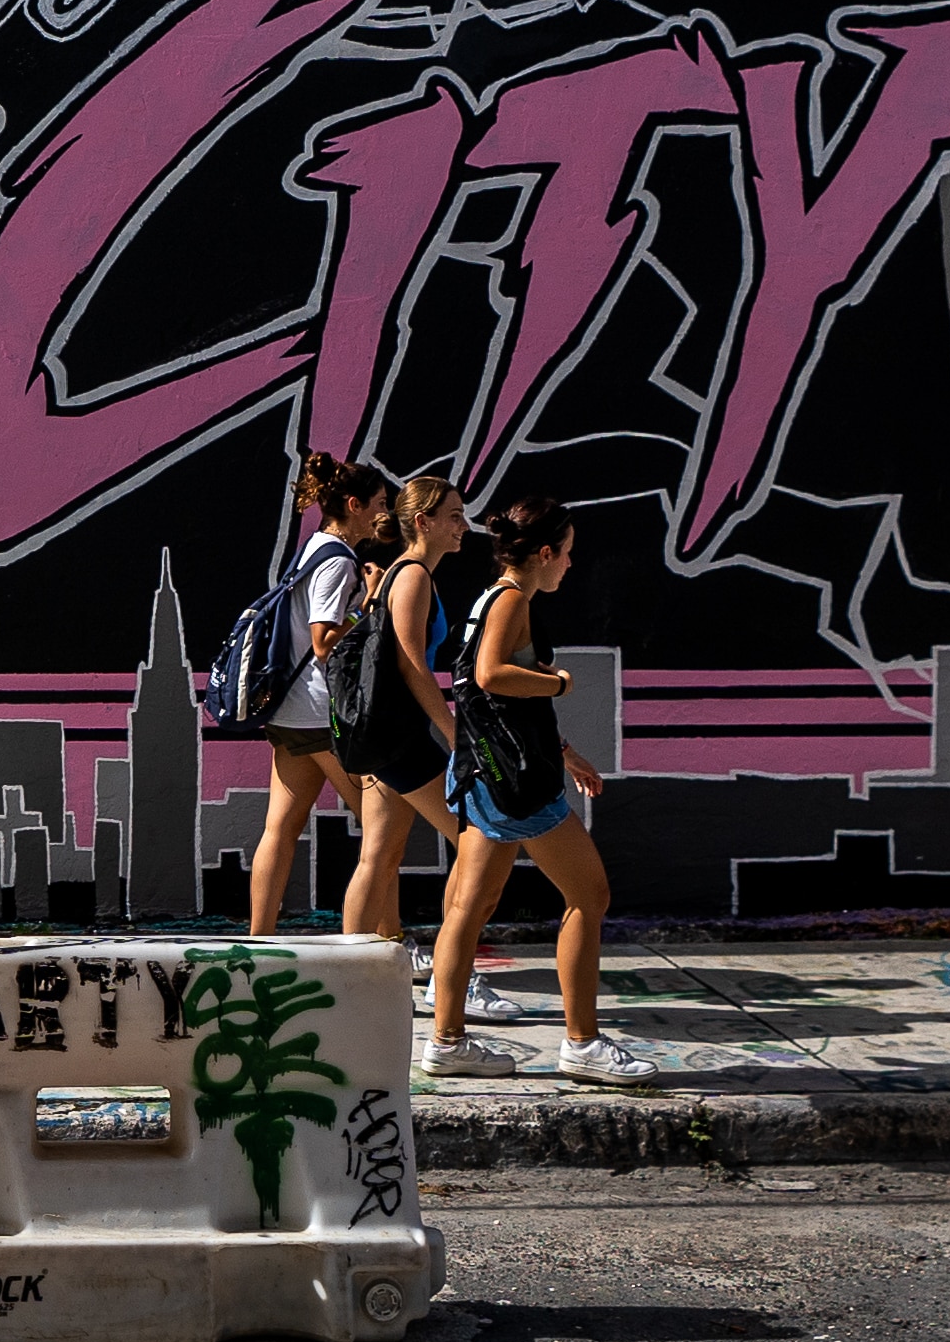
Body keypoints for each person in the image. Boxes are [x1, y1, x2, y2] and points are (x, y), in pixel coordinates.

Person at [422, 494, 657, 1085]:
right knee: (590, 896)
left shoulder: (492, 597)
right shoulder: (509, 600)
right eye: (568, 554)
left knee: (467, 911)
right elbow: (491, 676)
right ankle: (582, 1042)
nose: (572, 566)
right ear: (545, 553)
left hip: (488, 773)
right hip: (517, 789)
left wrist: (565, 751)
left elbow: (497, 703)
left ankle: (447, 1041)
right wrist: (558, 683)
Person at [324, 475, 525, 1054]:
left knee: (380, 856)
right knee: (477, 842)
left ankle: (353, 985)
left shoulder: (407, 576)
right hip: (404, 741)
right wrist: (457, 732)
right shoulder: (412, 576)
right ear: (424, 523)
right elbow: (413, 668)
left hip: (391, 740)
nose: (464, 525)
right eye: (455, 516)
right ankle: (446, 978)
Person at [246, 452, 385, 935]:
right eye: (379, 505)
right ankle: (388, 943)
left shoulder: (313, 547)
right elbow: (325, 641)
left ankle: (259, 940)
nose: (383, 514)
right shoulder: (338, 561)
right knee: (380, 831)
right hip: (319, 714)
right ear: (354, 504)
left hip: (289, 710)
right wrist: (366, 602)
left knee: (280, 830)